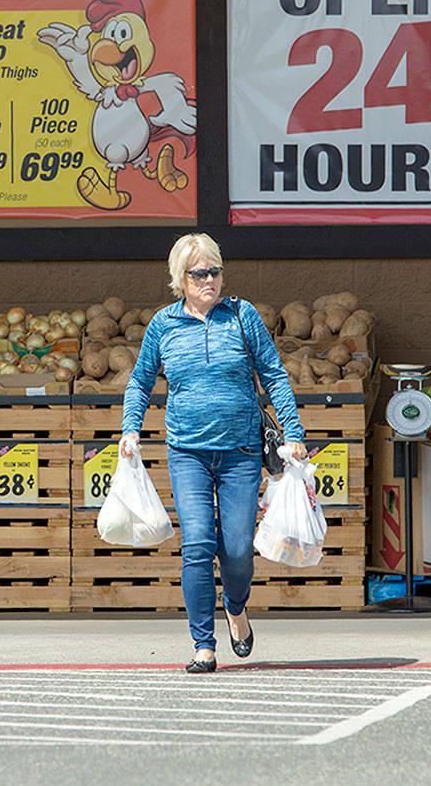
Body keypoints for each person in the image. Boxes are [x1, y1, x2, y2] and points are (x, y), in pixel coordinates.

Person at [119, 233, 306, 673]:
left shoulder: (242, 317)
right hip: (187, 453)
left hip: (240, 452)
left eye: (215, 271)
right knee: (198, 544)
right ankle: (204, 645)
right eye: (200, 273)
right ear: (179, 279)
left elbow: (274, 375)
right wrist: (130, 428)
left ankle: (236, 606)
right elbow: (140, 381)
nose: (210, 280)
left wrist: (294, 433)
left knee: (238, 550)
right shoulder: (164, 325)